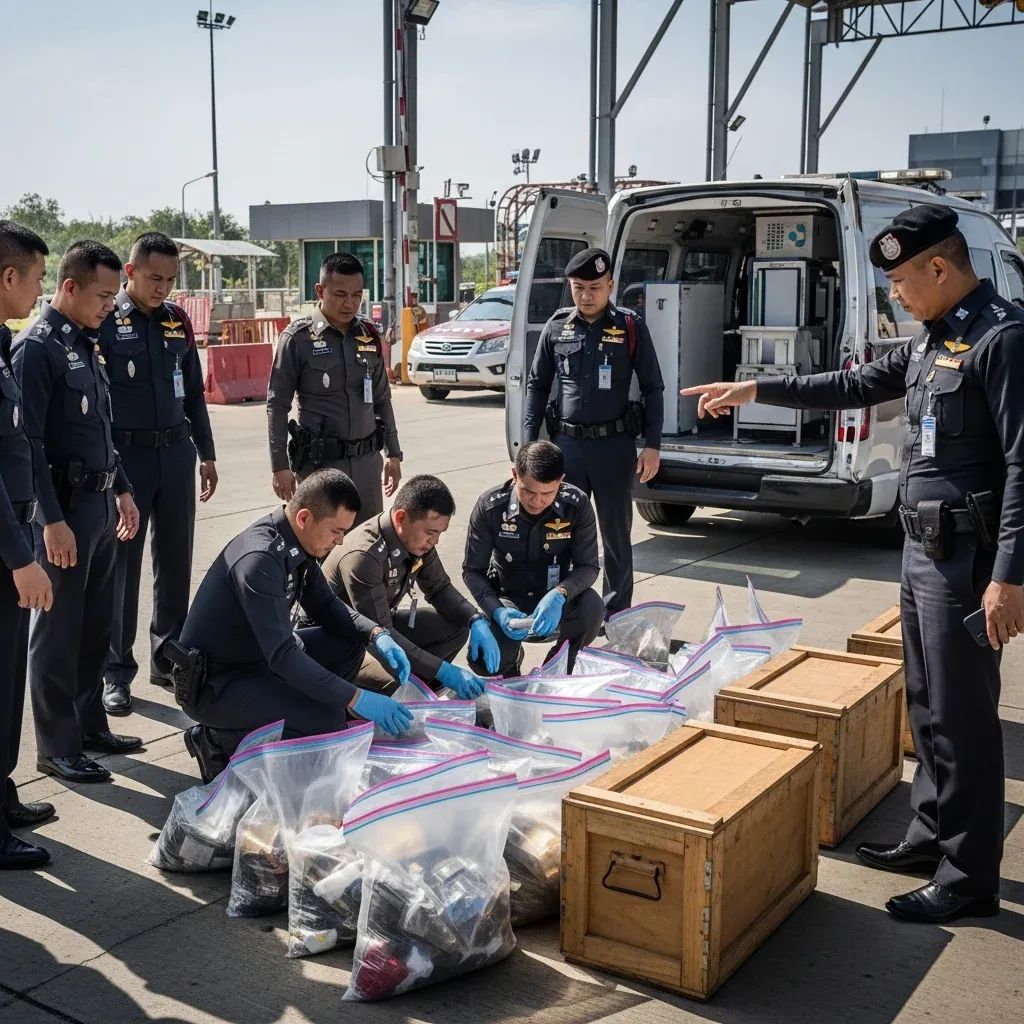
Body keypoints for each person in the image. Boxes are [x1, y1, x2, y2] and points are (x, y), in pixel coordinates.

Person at [682, 204, 1024, 924]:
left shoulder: (1002, 340)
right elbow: (852, 384)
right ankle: (932, 835)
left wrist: (1009, 577)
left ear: (939, 267)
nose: (895, 293)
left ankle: (970, 878)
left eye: (901, 279)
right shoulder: (934, 342)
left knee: (965, 719)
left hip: (968, 561)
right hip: (921, 552)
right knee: (928, 708)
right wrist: (755, 388)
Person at [178, 469, 413, 782]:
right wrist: (355, 698)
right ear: (304, 518)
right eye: (336, 531)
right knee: (327, 717)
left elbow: (328, 607)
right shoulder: (260, 559)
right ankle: (215, 741)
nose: (341, 540)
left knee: (349, 642)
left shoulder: (295, 542)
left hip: (255, 660)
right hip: (217, 684)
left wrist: (376, 634)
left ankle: (303, 721)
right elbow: (283, 656)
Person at [13, 241, 142, 785]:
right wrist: (50, 519)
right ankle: (57, 746)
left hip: (100, 505)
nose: (111, 306)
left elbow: (102, 429)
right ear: (69, 288)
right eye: (103, 295)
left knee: (95, 628)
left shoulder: (86, 343)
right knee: (58, 635)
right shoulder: (36, 349)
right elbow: (29, 444)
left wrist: (124, 488)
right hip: (64, 514)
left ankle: (90, 726)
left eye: (114, 296)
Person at [98, 231, 217, 714]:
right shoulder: (107, 320)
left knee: (175, 562)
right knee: (121, 569)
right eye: (153, 278)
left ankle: (166, 658)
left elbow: (193, 393)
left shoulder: (177, 321)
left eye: (170, 279)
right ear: (130, 273)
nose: (162, 287)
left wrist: (206, 453)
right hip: (126, 461)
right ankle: (115, 671)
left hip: (175, 455)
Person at [523, 247, 664, 615]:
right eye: (579, 287)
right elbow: (537, 385)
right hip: (567, 447)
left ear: (610, 285)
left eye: (595, 287)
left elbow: (653, 387)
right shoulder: (557, 326)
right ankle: (564, 607)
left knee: (616, 537)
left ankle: (615, 614)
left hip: (613, 448)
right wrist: (529, 444)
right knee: (559, 532)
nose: (586, 296)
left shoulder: (630, 326)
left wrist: (652, 445)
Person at [323, 474, 497, 695]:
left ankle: (422, 698)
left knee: (456, 628)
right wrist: (441, 670)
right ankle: (361, 709)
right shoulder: (365, 556)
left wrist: (475, 619)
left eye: (439, 534)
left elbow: (439, 588)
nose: (434, 542)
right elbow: (379, 632)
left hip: (380, 626)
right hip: (341, 642)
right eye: (430, 533)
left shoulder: (415, 540)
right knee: (400, 681)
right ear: (401, 518)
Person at [267, 252, 402, 524]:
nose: (349, 303)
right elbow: (277, 406)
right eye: (340, 294)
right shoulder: (297, 339)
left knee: (364, 550)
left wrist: (394, 454)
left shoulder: (368, 336)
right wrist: (280, 466)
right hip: (320, 468)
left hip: (366, 467)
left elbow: (382, 399)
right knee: (321, 551)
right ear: (320, 290)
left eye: (357, 295)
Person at [0, 222, 55, 869]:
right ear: (9, 277)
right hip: (5, 544)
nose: (38, 290)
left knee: (7, 676)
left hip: (12, 535)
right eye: (36, 279)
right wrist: (20, 557)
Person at [463, 440, 604, 676]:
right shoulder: (490, 507)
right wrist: (497, 610)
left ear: (561, 480)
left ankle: (558, 669)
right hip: (508, 599)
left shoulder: (576, 505)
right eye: (528, 490)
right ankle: (511, 666)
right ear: (515, 475)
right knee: (485, 660)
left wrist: (560, 595)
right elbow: (472, 571)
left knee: (592, 608)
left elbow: (588, 566)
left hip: (557, 598)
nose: (537, 501)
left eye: (547, 493)